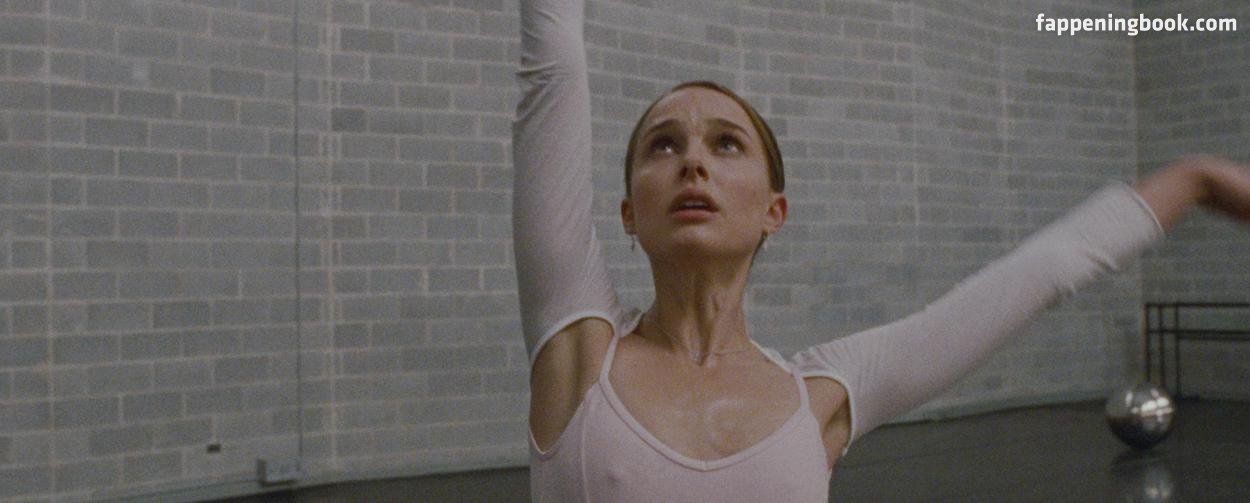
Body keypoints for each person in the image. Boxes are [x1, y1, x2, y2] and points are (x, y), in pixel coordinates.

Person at [510, 0, 1250, 500]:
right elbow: (553, 66)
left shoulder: (820, 398)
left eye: (726, 144)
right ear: (629, 213)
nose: (693, 162)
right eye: (663, 145)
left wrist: (1196, 179)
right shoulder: (580, 353)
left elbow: (1042, 272)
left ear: (774, 211)